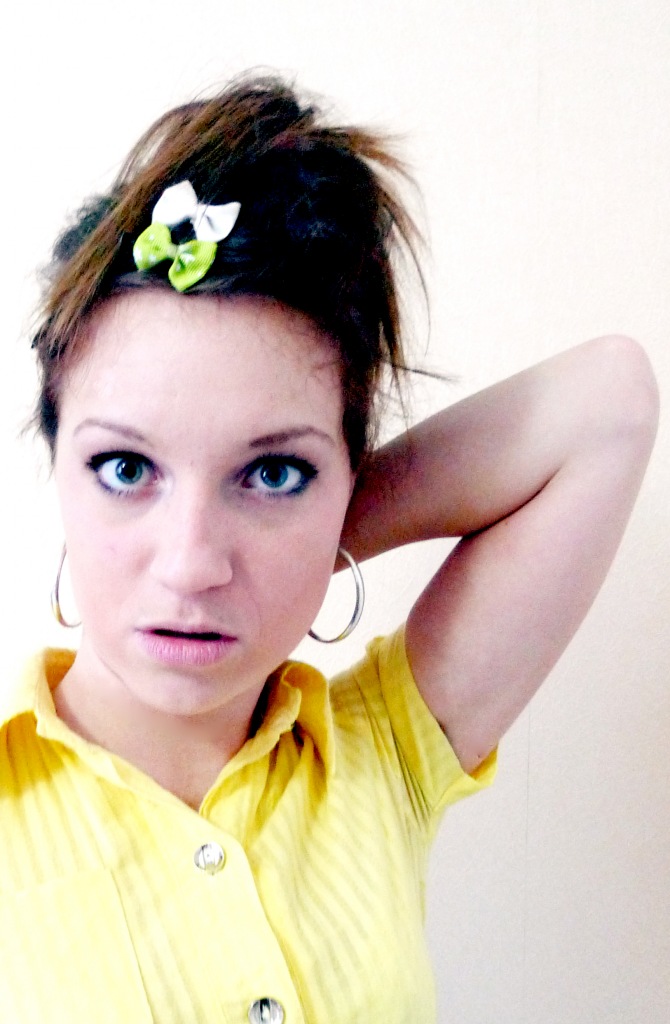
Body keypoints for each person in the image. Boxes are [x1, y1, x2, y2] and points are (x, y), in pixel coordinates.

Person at [0, 74, 658, 1023]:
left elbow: (609, 403)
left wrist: (317, 536)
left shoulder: (380, 751)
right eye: (126, 468)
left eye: (272, 472)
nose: (191, 565)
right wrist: (289, 511)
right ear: (57, 465)